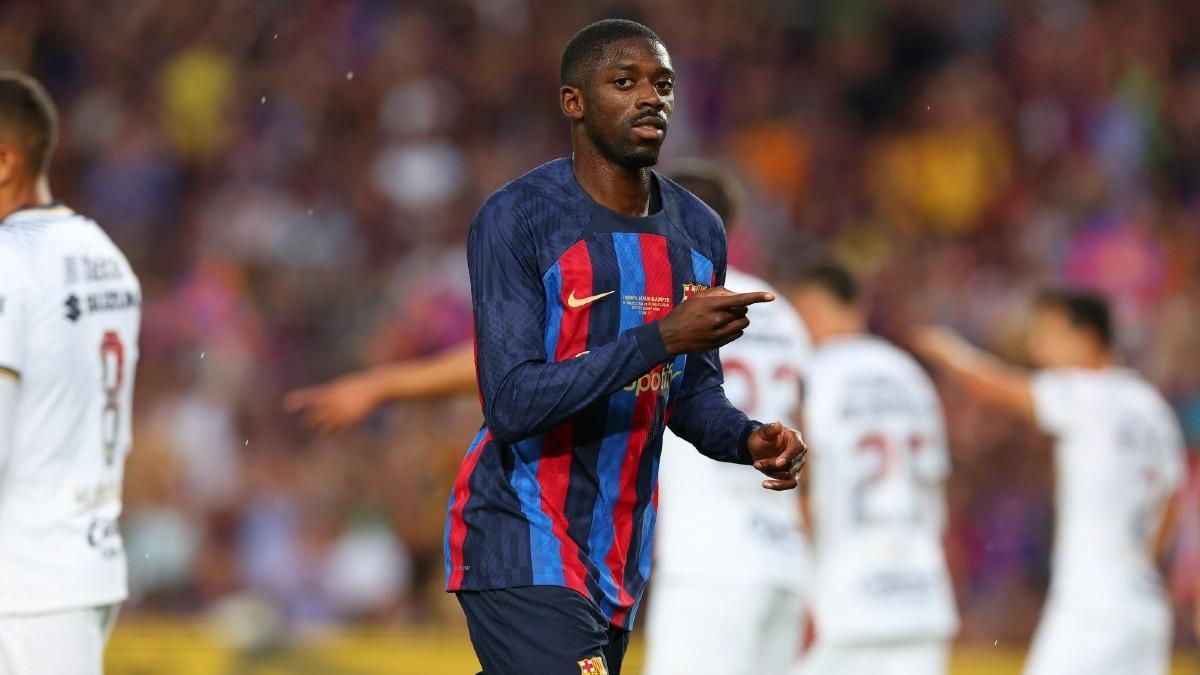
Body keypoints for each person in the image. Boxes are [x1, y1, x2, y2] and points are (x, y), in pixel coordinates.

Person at [913, 290, 1185, 675]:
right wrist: (1140, 561)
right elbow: (1173, 497)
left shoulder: (1087, 393)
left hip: (1092, 609)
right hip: (1144, 608)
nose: (1037, 348)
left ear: (1086, 338)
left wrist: (943, 348)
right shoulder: (1152, 408)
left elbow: (991, 384)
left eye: (1048, 334)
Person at [643, 163, 811, 675]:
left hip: (708, 561)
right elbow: (804, 438)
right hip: (784, 559)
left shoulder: (664, 296)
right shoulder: (780, 311)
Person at [0, 72, 141, 674]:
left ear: (4, 160)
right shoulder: (106, 254)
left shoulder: (8, 262)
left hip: (22, 580)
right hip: (85, 563)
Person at [792, 262, 958, 675]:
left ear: (810, 309)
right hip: (921, 595)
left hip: (841, 599)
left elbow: (799, 479)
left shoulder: (812, 375)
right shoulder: (911, 376)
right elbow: (937, 486)